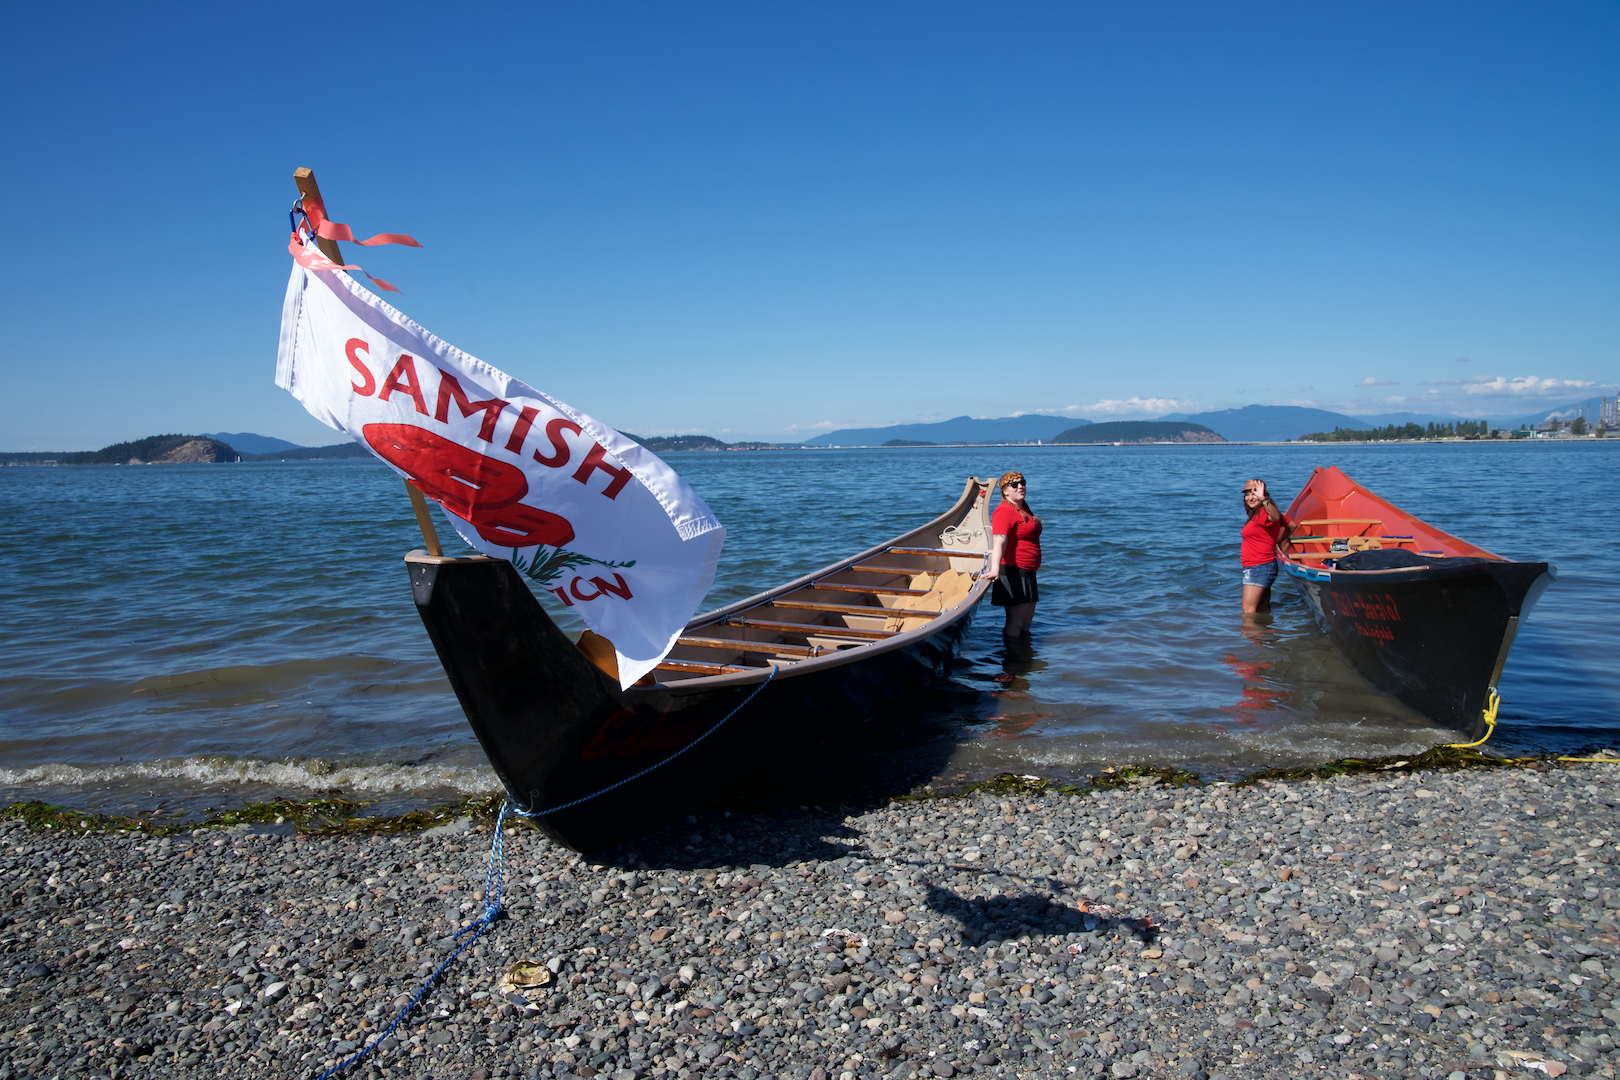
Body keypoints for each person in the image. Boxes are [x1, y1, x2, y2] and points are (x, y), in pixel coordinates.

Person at [983, 471, 1041, 638]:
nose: (1020, 486)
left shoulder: (1022, 509)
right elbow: (999, 541)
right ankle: (1012, 661)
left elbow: (1013, 539)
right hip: (1014, 573)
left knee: (1025, 626)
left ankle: (1023, 657)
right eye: (1014, 484)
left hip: (1027, 573)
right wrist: (994, 570)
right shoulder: (1004, 511)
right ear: (1005, 491)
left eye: (1022, 482)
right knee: (1015, 625)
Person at [1241, 478, 1291, 616]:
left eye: (1254, 493)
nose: (1250, 497)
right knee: (1262, 611)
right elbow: (1291, 526)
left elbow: (1275, 518)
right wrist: (1278, 541)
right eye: (1247, 494)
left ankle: (1249, 637)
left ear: (1263, 494)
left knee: (1248, 612)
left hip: (1260, 566)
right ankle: (1267, 636)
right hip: (1259, 566)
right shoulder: (1257, 514)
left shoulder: (1265, 512)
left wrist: (1263, 499)